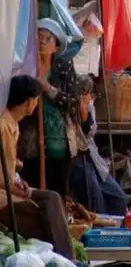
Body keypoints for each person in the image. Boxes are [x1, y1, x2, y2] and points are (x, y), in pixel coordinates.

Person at [0, 75, 73, 259]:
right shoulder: (4, 127)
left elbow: (9, 166)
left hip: (11, 190)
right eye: (36, 99)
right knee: (47, 220)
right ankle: (67, 258)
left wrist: (19, 181)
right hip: (4, 197)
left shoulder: (12, 124)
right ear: (29, 101)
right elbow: (2, 177)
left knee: (53, 198)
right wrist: (18, 188)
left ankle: (68, 258)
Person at [20, 19, 82, 199]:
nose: (42, 42)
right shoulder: (26, 66)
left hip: (60, 140)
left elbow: (73, 101)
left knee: (58, 191)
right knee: (32, 189)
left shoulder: (63, 66)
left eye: (48, 38)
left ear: (56, 46)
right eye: (39, 37)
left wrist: (48, 89)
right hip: (31, 139)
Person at [70, 75, 127, 216]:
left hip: (94, 162)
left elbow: (89, 132)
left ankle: (116, 226)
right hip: (79, 163)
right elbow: (80, 137)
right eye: (88, 94)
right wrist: (83, 114)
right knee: (97, 204)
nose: (91, 98)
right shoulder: (71, 113)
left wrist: (85, 114)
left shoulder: (88, 110)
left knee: (119, 198)